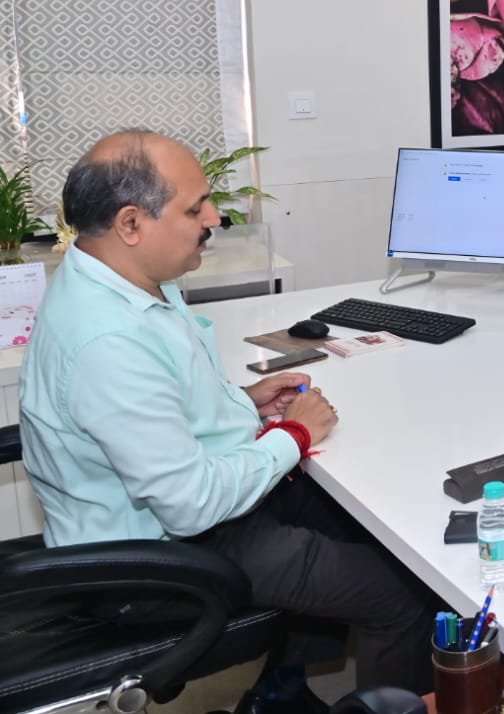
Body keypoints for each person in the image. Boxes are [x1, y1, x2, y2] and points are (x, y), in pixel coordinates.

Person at [19, 130, 433, 708]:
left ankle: (282, 691)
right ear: (131, 224)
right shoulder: (106, 339)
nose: (214, 217)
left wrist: (245, 401)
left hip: (181, 512)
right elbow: (190, 504)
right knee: (403, 595)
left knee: (361, 523)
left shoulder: (122, 281)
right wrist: (293, 434)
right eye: (195, 209)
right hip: (164, 557)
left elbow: (159, 401)